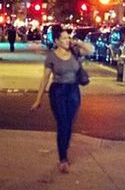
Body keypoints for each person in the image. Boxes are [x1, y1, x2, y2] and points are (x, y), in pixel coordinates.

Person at [30, 25, 94, 173]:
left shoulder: (74, 51)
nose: (66, 41)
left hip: (73, 90)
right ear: (57, 41)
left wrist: (77, 42)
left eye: (67, 37)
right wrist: (38, 99)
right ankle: (63, 158)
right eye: (63, 38)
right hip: (58, 91)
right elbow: (45, 78)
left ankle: (64, 149)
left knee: (69, 124)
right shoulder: (51, 57)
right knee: (62, 123)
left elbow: (91, 50)